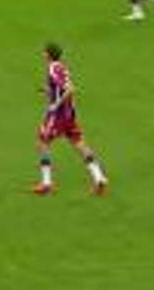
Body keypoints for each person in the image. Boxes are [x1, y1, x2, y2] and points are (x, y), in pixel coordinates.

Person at [33, 42, 110, 195]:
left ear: (48, 54)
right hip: (70, 114)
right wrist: (48, 90)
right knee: (79, 143)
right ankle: (99, 178)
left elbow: (69, 89)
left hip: (58, 115)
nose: (43, 54)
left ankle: (46, 183)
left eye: (44, 52)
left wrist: (56, 104)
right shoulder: (62, 66)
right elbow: (60, 88)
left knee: (42, 142)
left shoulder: (52, 68)